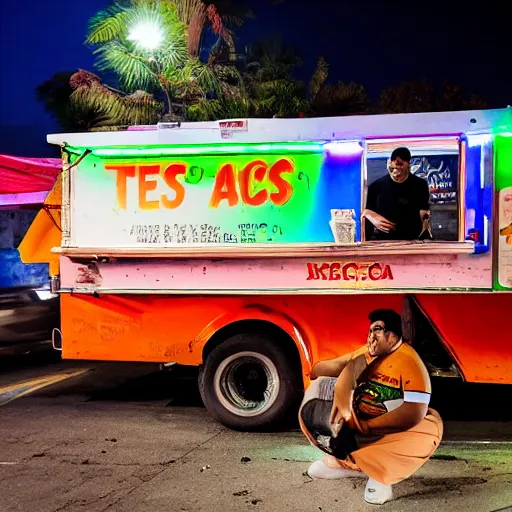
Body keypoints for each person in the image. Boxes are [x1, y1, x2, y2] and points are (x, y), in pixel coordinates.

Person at [299, 309, 443, 505]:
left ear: (391, 337)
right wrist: (324, 374)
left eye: (376, 331)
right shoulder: (366, 355)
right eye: (369, 332)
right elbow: (333, 369)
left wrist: (369, 427)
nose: (370, 338)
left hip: (390, 428)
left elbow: (413, 412)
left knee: (427, 428)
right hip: (360, 422)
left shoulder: (409, 362)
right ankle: (347, 464)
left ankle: (381, 476)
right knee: (320, 395)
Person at [364, 147, 431, 241]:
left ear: (409, 163)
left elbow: (424, 212)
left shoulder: (420, 185)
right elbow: (365, 211)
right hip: (382, 240)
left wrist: (424, 224)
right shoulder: (376, 186)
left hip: (410, 240)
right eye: (393, 167)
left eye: (400, 165)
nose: (396, 170)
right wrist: (372, 217)